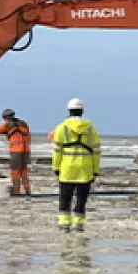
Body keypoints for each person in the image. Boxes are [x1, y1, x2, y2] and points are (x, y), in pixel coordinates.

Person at [50, 98, 101, 232]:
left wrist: (55, 167)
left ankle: (64, 224)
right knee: (81, 198)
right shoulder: (91, 129)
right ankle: (78, 224)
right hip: (85, 168)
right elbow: (96, 151)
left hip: (67, 167)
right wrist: (95, 170)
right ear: (82, 111)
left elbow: (57, 150)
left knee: (65, 197)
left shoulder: (61, 128)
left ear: (69, 111)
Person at [0, 109, 34, 196]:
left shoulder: (6, 125)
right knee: (24, 172)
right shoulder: (24, 123)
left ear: (5, 117)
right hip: (26, 151)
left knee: (15, 173)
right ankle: (28, 191)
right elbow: (29, 137)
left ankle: (16, 193)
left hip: (16, 151)